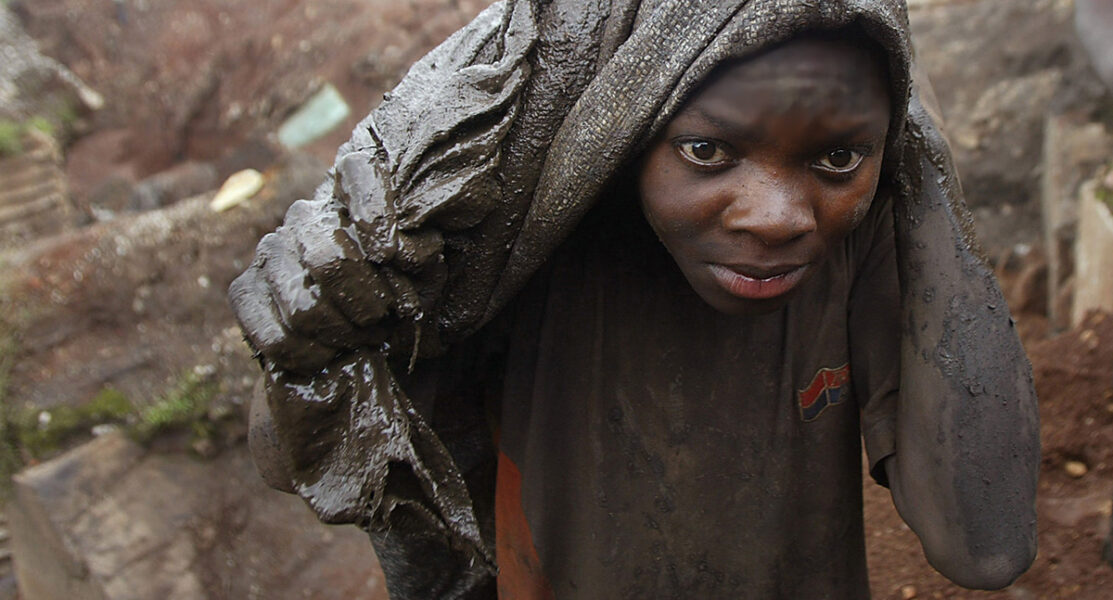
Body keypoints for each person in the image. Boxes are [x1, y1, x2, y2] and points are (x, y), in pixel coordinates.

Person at [229, 1, 1040, 598]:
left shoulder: (862, 240)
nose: (777, 217)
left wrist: (924, 175)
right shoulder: (527, 249)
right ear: (623, 132)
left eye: (836, 156)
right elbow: (290, 445)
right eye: (706, 150)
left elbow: (985, 545)